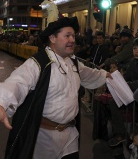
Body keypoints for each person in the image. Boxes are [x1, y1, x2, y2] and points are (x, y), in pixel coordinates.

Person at [0, 16, 112, 159]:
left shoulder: (73, 63)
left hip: (70, 136)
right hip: (44, 139)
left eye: (73, 36)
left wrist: (106, 75)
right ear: (52, 38)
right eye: (67, 36)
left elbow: (89, 73)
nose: (72, 40)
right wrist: (2, 102)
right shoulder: (38, 63)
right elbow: (17, 82)